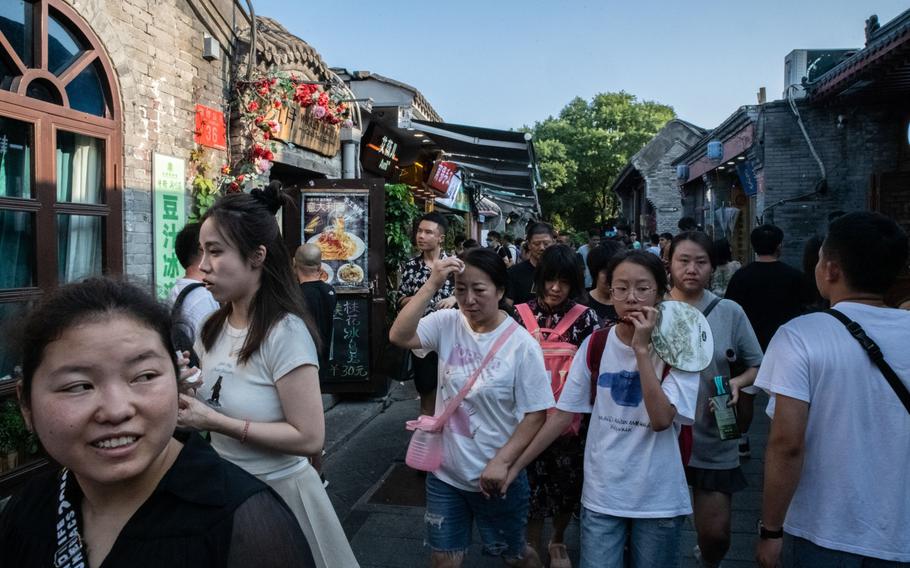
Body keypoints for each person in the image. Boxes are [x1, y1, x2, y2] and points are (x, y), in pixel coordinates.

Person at [0, 277, 314, 567]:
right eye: (79, 386)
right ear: (26, 404)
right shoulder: (29, 509)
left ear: (179, 386)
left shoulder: (246, 526)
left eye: (144, 376)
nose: (116, 410)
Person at [176, 183, 357, 568]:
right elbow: (214, 397)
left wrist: (215, 422)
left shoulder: (285, 332)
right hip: (226, 495)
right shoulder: (211, 326)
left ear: (257, 256)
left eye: (216, 251)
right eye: (202, 251)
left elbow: (310, 437)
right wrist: (182, 386)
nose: (203, 265)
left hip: (282, 498)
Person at [505, 250, 700, 568]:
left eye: (643, 288)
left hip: (658, 499)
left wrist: (641, 349)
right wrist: (515, 465)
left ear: (661, 293)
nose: (631, 297)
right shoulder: (595, 344)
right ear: (610, 293)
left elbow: (662, 419)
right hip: (602, 494)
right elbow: (563, 415)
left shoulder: (681, 349)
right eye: (621, 288)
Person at [755, 212, 910, 567]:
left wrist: (771, 530)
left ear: (831, 270)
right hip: (901, 533)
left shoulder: (799, 336)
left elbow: (787, 445)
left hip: (821, 532)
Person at [389, 248, 554, 568]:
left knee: (514, 555)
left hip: (496, 477)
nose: (469, 299)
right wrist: (433, 283)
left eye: (479, 290)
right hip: (445, 473)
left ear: (500, 290)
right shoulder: (447, 322)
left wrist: (504, 463)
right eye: (460, 289)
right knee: (443, 559)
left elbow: (537, 414)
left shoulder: (522, 345)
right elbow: (399, 335)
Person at [666, 232, 763, 568]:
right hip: (661, 435)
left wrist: (738, 381)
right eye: (683, 260)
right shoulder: (654, 309)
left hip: (715, 427)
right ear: (669, 263)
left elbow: (757, 364)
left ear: (712, 267)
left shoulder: (729, 311)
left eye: (700, 262)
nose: (691, 269)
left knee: (717, 535)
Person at [514, 245, 599, 567]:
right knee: (529, 485)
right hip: (525, 419)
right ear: (540, 278)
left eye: (564, 281)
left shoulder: (587, 319)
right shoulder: (518, 316)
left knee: (568, 486)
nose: (555, 288)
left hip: (570, 423)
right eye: (550, 279)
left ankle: (558, 540)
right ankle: (532, 543)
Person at [724, 224, 808, 458]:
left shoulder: (742, 276)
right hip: (786, 349)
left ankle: (741, 439)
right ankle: (782, 439)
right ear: (779, 245)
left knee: (746, 395)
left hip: (749, 348)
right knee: (783, 399)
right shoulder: (794, 276)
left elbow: (731, 310)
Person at [399, 212, 458, 417]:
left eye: (428, 232)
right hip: (422, 340)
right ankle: (426, 438)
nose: (421, 236)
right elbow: (401, 299)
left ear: (440, 237)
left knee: (455, 392)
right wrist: (418, 301)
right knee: (426, 391)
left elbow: (472, 294)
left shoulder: (455, 265)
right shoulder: (411, 266)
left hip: (453, 339)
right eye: (419, 231)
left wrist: (454, 299)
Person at [166, 222, 220, 343]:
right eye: (216, 248)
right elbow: (209, 349)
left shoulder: (177, 289)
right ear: (203, 249)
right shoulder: (202, 296)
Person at [294, 243, 337, 375]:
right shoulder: (330, 291)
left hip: (302, 361)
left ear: (294, 264)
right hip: (323, 359)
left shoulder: (296, 295)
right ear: (320, 266)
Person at [507, 222, 556, 305]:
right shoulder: (514, 272)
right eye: (536, 244)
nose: (542, 248)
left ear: (553, 243)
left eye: (546, 244)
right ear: (529, 245)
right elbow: (508, 305)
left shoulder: (562, 271)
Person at [584, 240, 625, 325]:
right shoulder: (581, 306)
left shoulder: (630, 302)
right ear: (595, 272)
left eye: (618, 271)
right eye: (607, 272)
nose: (613, 277)